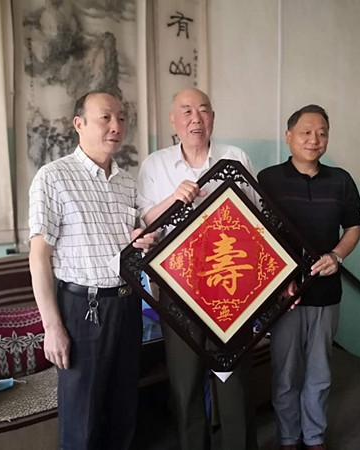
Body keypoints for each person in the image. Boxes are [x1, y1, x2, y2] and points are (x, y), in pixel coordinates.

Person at [28, 91, 155, 450]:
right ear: (79, 124)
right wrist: (52, 327)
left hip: (128, 305)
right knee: (82, 417)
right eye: (105, 118)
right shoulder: (54, 177)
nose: (116, 126)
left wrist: (142, 239)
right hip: (83, 309)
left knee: (123, 407)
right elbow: (39, 258)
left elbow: (131, 239)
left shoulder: (126, 182)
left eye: (121, 118)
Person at [137, 87, 259, 450]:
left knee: (234, 378)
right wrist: (174, 199)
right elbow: (145, 224)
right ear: (173, 120)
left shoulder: (235, 158)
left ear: (213, 118)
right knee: (185, 381)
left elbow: (257, 220)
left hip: (231, 287)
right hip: (178, 287)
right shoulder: (154, 165)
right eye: (187, 111)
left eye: (203, 110)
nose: (196, 118)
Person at [257, 104, 360, 450]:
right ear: (288, 136)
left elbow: (353, 227)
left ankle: (314, 436)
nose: (314, 139)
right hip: (284, 295)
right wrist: (277, 278)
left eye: (321, 133)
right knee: (285, 373)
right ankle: (289, 437)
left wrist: (337, 255)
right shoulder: (268, 179)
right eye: (305, 132)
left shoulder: (341, 180)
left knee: (320, 372)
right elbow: (257, 233)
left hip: (326, 293)